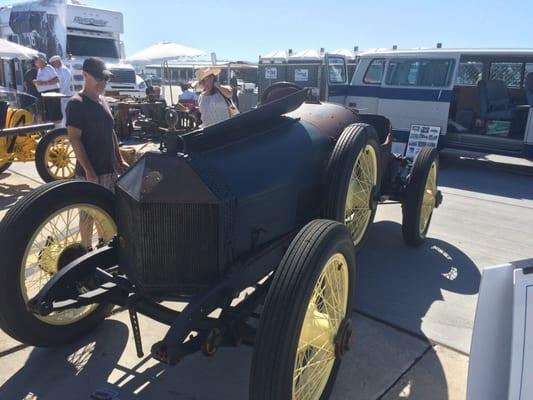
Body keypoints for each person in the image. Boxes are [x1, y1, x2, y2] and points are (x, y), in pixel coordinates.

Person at [66, 57, 129, 248]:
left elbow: (111, 133)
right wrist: (88, 171)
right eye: (98, 78)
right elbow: (74, 138)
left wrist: (119, 158)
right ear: (85, 75)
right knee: (87, 217)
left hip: (109, 170)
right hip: (89, 173)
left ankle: (105, 250)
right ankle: (86, 251)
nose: (102, 83)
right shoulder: (76, 103)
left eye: (105, 79)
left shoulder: (103, 101)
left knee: (107, 215)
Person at [33, 54, 61, 122]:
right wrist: (36, 83)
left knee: (52, 113)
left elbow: (57, 79)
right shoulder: (40, 70)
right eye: (35, 61)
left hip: (51, 92)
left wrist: (43, 83)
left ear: (42, 60)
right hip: (44, 93)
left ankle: (55, 127)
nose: (35, 63)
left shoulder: (48, 68)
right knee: (47, 113)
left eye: (37, 60)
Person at [49, 55, 72, 126]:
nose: (52, 65)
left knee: (65, 113)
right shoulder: (57, 70)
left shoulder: (64, 70)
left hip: (64, 96)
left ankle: (65, 129)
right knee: (62, 113)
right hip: (60, 96)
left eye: (53, 63)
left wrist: (60, 94)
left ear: (58, 62)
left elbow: (64, 84)